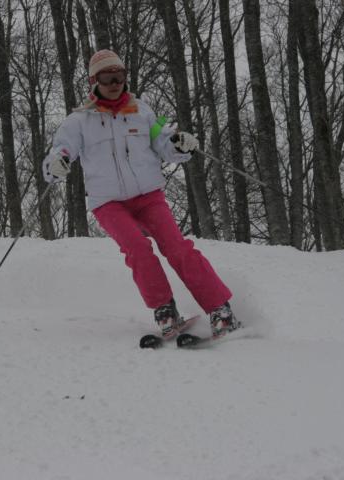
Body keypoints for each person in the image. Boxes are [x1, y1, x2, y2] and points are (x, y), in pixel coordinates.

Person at [43, 49, 240, 339]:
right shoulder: (79, 121)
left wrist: (180, 145)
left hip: (148, 196)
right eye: (107, 78)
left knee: (177, 247)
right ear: (94, 81)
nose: (114, 83)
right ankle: (165, 309)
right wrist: (56, 163)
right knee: (137, 248)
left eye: (119, 76)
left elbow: (165, 144)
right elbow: (60, 150)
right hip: (108, 202)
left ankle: (220, 309)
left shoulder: (142, 111)